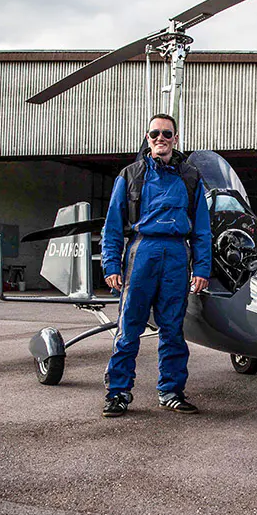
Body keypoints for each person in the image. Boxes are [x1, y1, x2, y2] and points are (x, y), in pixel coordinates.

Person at [100, 114, 212, 418]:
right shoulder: (130, 175)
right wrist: (111, 264)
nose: (160, 138)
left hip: (177, 254)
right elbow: (112, 226)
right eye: (154, 134)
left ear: (176, 139)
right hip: (142, 251)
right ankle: (118, 392)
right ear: (147, 138)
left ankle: (171, 392)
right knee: (129, 327)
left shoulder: (191, 177)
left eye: (167, 134)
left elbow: (202, 228)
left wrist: (202, 268)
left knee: (174, 328)